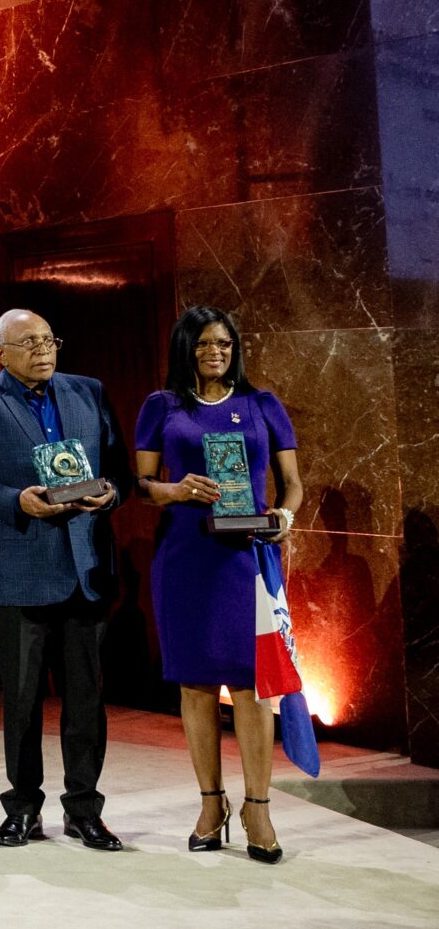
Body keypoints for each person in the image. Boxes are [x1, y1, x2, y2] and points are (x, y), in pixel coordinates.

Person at [0, 308, 126, 851]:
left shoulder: (88, 391)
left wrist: (109, 494)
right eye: (28, 342)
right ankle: (23, 807)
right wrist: (14, 501)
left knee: (85, 700)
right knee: (22, 701)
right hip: (20, 570)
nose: (43, 350)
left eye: (49, 339)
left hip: (85, 569)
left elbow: (117, 469)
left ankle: (85, 810)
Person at [133, 307, 303, 863]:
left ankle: (258, 807)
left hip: (245, 557)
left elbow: (293, 483)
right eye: (205, 344)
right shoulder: (161, 406)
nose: (215, 353)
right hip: (185, 557)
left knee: (252, 683)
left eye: (225, 344)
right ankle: (211, 804)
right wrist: (176, 490)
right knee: (196, 684)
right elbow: (143, 484)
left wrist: (284, 517)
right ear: (186, 348)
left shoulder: (262, 404)